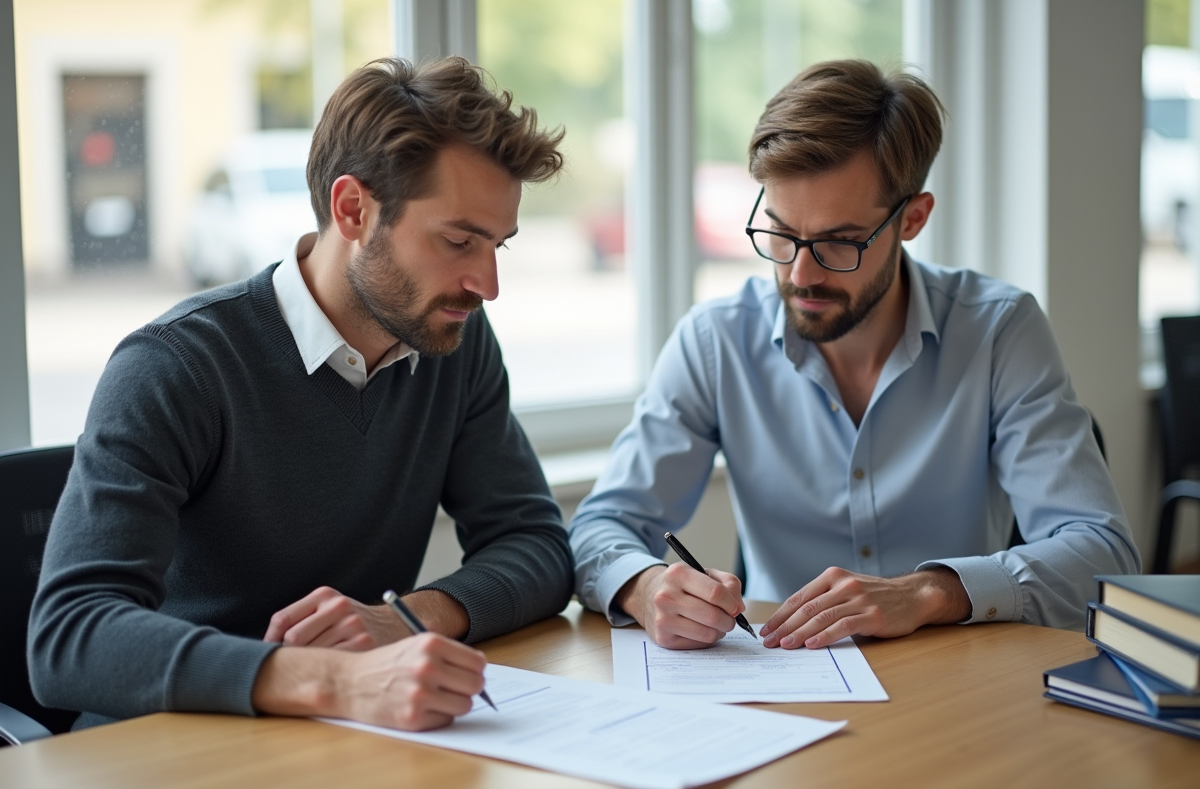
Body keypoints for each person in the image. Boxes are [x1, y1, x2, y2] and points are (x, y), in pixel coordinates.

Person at [29, 56, 574, 732]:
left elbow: (539, 549)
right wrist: (335, 679)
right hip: (172, 744)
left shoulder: (452, 338)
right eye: (459, 240)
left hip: (346, 736)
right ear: (353, 209)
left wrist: (403, 620)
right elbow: (68, 637)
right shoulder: (177, 365)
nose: (486, 284)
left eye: (498, 245)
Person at [569, 60, 1140, 652]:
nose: (799, 273)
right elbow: (598, 528)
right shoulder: (716, 341)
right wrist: (644, 585)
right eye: (782, 233)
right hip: (781, 681)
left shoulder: (999, 330)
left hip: (956, 686)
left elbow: (1103, 551)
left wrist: (927, 593)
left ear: (912, 219)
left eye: (839, 242)